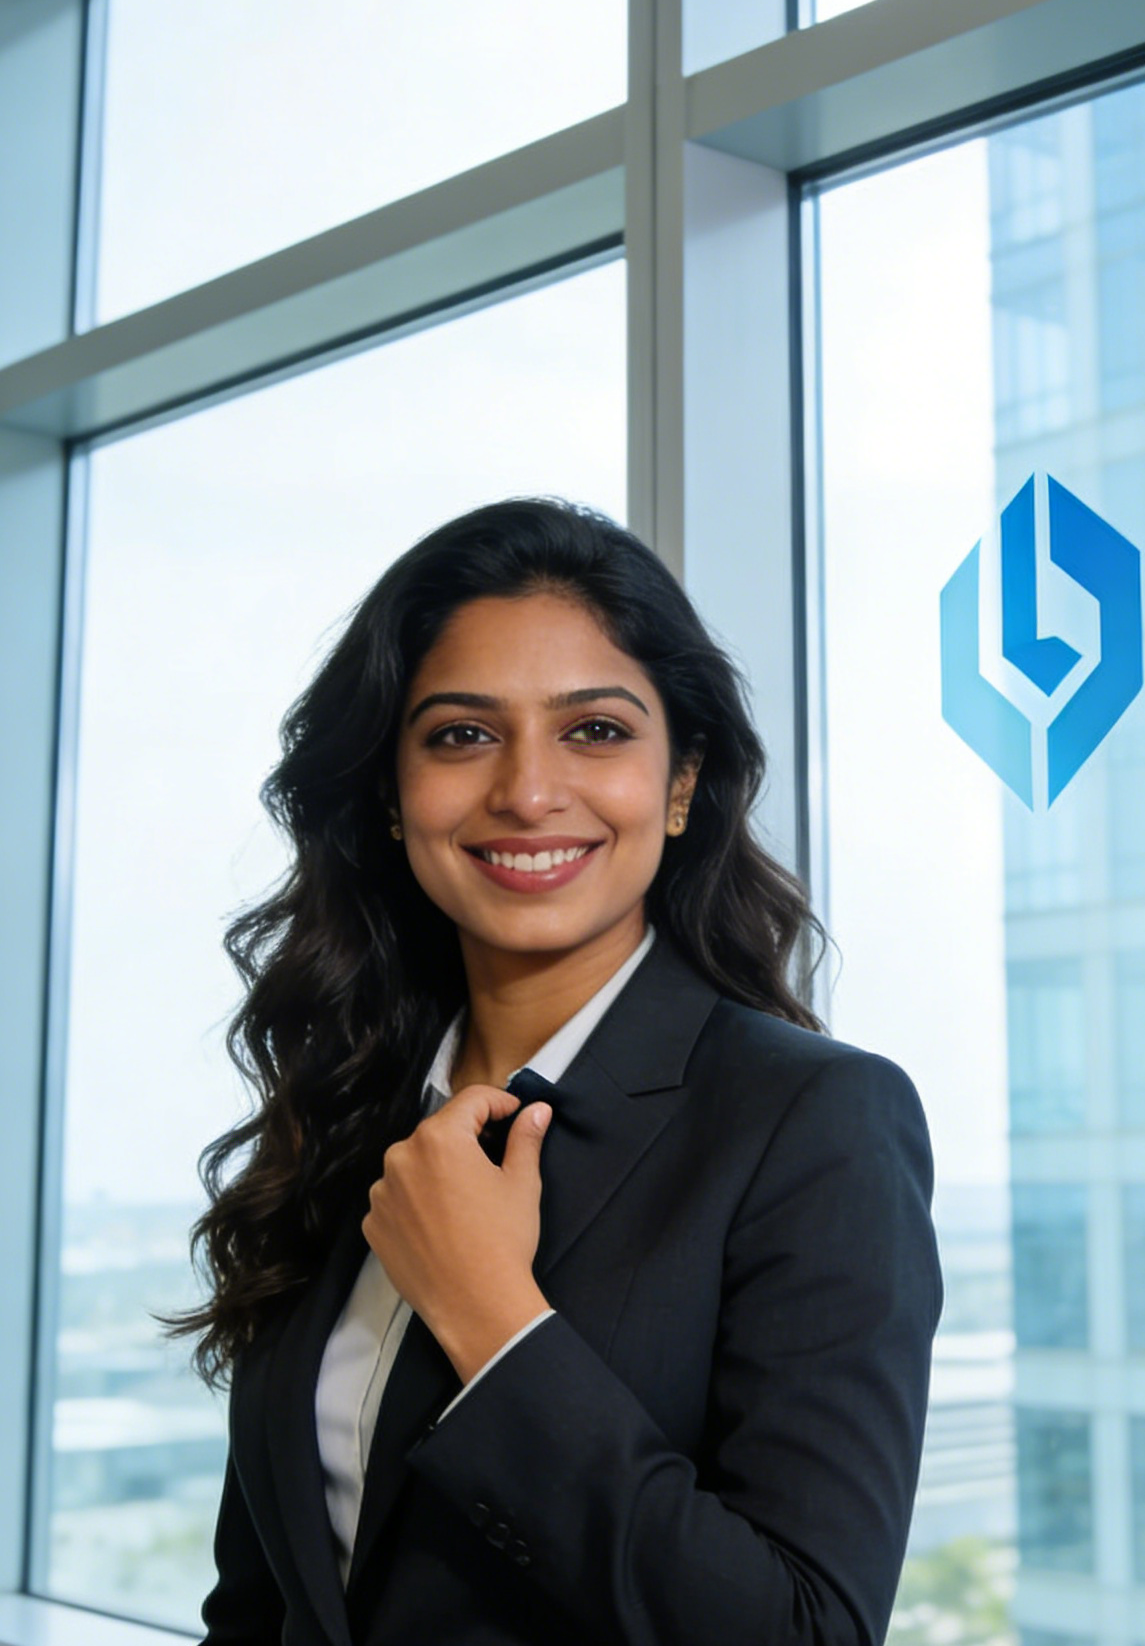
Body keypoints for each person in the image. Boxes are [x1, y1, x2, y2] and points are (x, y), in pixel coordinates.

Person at [166, 496, 943, 1646]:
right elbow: (264, 1602)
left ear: (682, 785)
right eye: (461, 735)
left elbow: (805, 1631)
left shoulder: (812, 1121)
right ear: (389, 794)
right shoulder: (350, 1113)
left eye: (595, 731)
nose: (528, 791)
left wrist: (497, 1324)